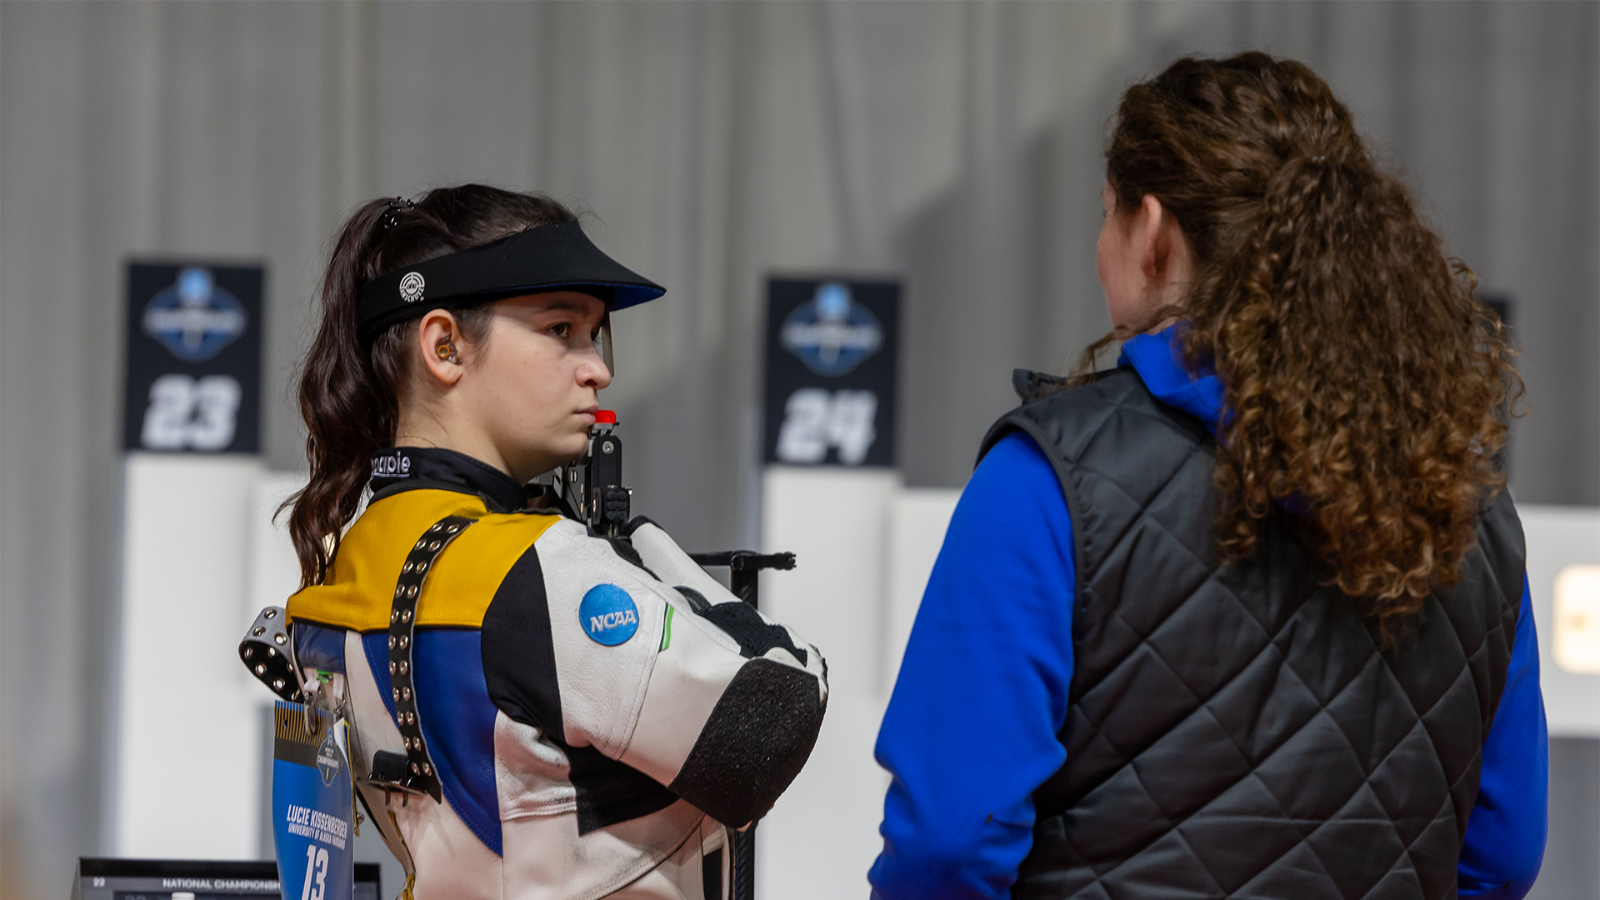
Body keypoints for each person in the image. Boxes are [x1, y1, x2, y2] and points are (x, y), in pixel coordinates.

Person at [870, 53, 1546, 900]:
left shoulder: (1048, 481)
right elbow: (1503, 856)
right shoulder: (1469, 512)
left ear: (1151, 230)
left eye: (1106, 216)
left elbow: (947, 845)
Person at [268, 185, 827, 900]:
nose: (597, 368)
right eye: (561, 329)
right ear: (444, 346)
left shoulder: (352, 556)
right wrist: (643, 550)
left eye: (593, 335)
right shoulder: (538, 567)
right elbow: (775, 715)